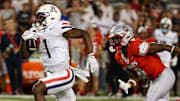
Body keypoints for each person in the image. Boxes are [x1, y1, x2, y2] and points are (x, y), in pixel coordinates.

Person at [20, 4, 98, 101]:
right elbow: (24, 55)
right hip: (51, 74)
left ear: (51, 17)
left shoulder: (58, 26)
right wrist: (24, 40)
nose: (38, 20)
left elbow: (83, 33)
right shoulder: (36, 32)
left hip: (64, 74)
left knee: (38, 89)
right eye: (38, 17)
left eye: (41, 17)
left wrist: (91, 55)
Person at [108, 24, 180, 101]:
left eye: (116, 39)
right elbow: (134, 77)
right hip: (154, 80)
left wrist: (171, 48)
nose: (113, 42)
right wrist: (129, 84)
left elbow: (151, 47)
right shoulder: (119, 57)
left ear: (126, 37)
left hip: (164, 75)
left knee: (150, 99)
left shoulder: (134, 46)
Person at [0, 19, 23, 94]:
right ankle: (13, 89)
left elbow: (23, 46)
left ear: (14, 25)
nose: (8, 26)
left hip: (18, 57)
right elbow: (2, 47)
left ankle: (19, 88)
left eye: (10, 25)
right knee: (11, 73)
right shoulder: (5, 36)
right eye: (7, 25)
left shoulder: (19, 35)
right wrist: (4, 54)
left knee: (19, 72)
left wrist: (18, 49)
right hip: (8, 57)